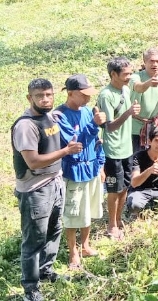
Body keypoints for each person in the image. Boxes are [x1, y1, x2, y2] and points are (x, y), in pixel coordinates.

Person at [12, 78, 83, 301]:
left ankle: (46, 270)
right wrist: (66, 152)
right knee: (34, 239)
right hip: (35, 189)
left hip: (55, 182)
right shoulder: (26, 126)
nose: (45, 99)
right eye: (40, 96)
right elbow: (33, 161)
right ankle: (31, 288)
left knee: (54, 231)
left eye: (49, 95)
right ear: (29, 98)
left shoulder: (49, 117)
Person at [55, 74, 106, 269]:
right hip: (74, 170)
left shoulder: (87, 111)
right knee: (73, 212)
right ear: (70, 93)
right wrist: (94, 124)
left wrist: (101, 165)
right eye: (84, 95)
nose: (88, 98)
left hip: (91, 167)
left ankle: (85, 244)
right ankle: (73, 251)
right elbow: (75, 144)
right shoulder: (59, 116)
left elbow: (96, 142)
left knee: (89, 209)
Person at [97, 57, 141, 240]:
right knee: (114, 188)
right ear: (113, 74)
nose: (129, 77)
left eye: (130, 73)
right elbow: (109, 126)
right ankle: (111, 225)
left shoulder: (125, 88)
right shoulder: (106, 95)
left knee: (125, 187)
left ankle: (118, 217)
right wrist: (128, 113)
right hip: (112, 149)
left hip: (126, 148)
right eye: (125, 74)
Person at [129, 48, 158, 152]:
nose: (155, 64)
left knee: (152, 159)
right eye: (151, 61)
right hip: (135, 127)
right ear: (145, 62)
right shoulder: (135, 77)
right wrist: (149, 83)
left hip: (154, 127)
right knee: (135, 160)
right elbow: (139, 87)